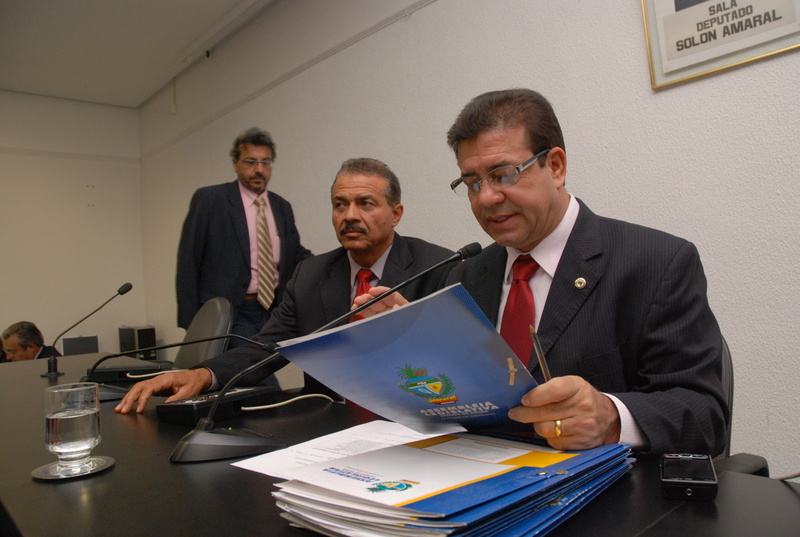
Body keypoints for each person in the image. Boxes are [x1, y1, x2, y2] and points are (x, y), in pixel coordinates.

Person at [355, 89, 727, 456]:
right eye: (472, 183)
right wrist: (416, 350)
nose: (486, 198)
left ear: (556, 166)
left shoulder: (655, 262)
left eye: (503, 175)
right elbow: (462, 402)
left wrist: (611, 417)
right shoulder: (465, 276)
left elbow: (705, 415)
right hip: (480, 479)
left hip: (602, 487)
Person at [116, 158, 454, 413]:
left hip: (413, 421)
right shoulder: (311, 274)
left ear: (396, 214)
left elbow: (459, 363)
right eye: (340, 204)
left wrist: (411, 333)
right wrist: (202, 375)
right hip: (329, 423)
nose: (350, 215)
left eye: (365, 203)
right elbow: (266, 348)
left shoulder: (438, 267)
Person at [176, 128, 312, 346]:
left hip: (273, 310)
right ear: (235, 164)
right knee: (250, 364)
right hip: (230, 311)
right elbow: (189, 260)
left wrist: (335, 263)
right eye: (250, 162)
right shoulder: (211, 200)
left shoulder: (281, 206)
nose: (259, 169)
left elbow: (295, 253)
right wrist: (191, 323)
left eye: (265, 162)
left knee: (265, 362)